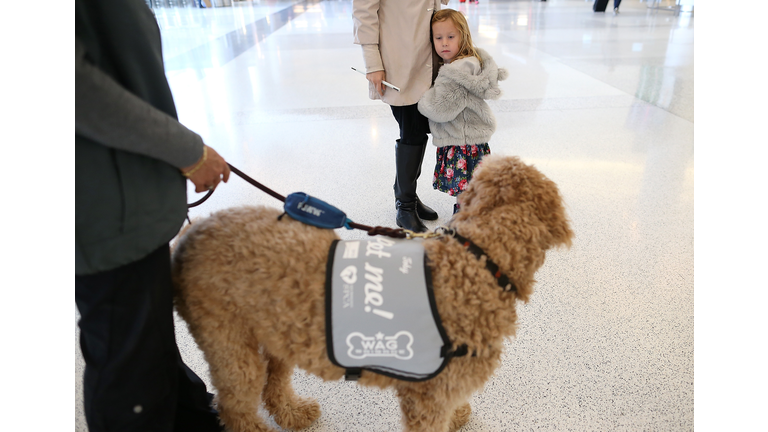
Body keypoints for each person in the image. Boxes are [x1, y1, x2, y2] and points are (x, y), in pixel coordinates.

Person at [75, 0, 230, 430]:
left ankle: (193, 415)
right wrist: (188, 151)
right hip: (101, 207)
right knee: (126, 363)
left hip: (127, 199)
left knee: (147, 333)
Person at [352, 0, 450, 233]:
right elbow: (363, 13)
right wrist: (373, 63)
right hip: (398, 60)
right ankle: (404, 207)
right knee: (411, 130)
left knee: (418, 129)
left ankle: (408, 198)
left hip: (428, 55)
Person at [417, 9, 508, 214]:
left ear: (463, 36)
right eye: (438, 38)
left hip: (461, 139)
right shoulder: (470, 62)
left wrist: (422, 100)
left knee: (464, 183)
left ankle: (464, 218)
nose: (444, 43)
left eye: (450, 36)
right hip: (472, 137)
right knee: (473, 181)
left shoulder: (456, 71)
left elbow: (441, 109)